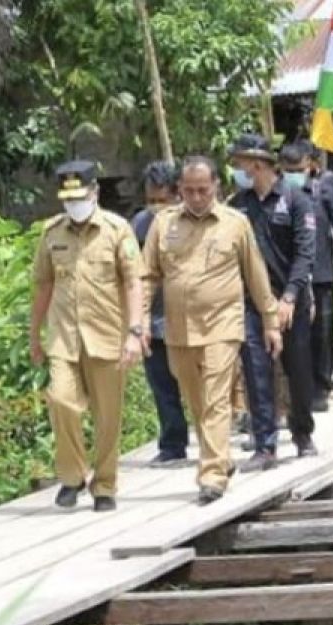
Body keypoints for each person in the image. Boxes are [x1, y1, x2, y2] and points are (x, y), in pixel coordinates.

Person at [141, 155, 282, 506]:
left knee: (217, 397)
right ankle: (221, 457)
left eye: (203, 190)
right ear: (179, 191)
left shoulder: (236, 224)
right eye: (188, 191)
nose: (197, 197)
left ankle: (213, 474)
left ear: (216, 186)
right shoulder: (164, 224)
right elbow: (148, 277)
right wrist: (139, 321)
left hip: (222, 325)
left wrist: (270, 321)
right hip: (178, 330)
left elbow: (256, 275)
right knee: (197, 401)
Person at [29, 159, 146, 512]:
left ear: (94, 192)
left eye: (79, 196)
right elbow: (43, 284)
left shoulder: (116, 229)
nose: (73, 204)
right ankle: (72, 475)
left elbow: (133, 282)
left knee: (108, 415)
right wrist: (34, 334)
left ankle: (105, 484)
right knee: (60, 400)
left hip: (107, 335)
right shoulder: (52, 232)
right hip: (64, 337)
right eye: (67, 198)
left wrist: (134, 331)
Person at [228, 133, 319, 468]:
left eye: (240, 163)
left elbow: (305, 253)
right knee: (256, 369)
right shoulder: (237, 206)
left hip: (290, 299)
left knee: (297, 369)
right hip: (252, 303)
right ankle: (265, 444)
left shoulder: (296, 200)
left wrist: (291, 297)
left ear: (257, 164)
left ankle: (302, 433)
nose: (236, 170)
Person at [278, 142, 333, 412]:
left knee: (321, 330)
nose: (293, 175)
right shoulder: (277, 196)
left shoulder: (324, 192)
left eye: (297, 169)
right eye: (287, 171)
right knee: (290, 332)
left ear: (310, 165)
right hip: (287, 275)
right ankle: (296, 385)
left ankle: (321, 384)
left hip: (321, 272)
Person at [131, 161, 189, 465]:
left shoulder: (190, 223)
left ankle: (212, 441)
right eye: (150, 200)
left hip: (189, 317)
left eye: (162, 200)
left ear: (177, 194)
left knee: (199, 384)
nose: (156, 207)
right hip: (152, 318)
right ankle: (172, 442)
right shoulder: (139, 225)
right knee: (162, 384)